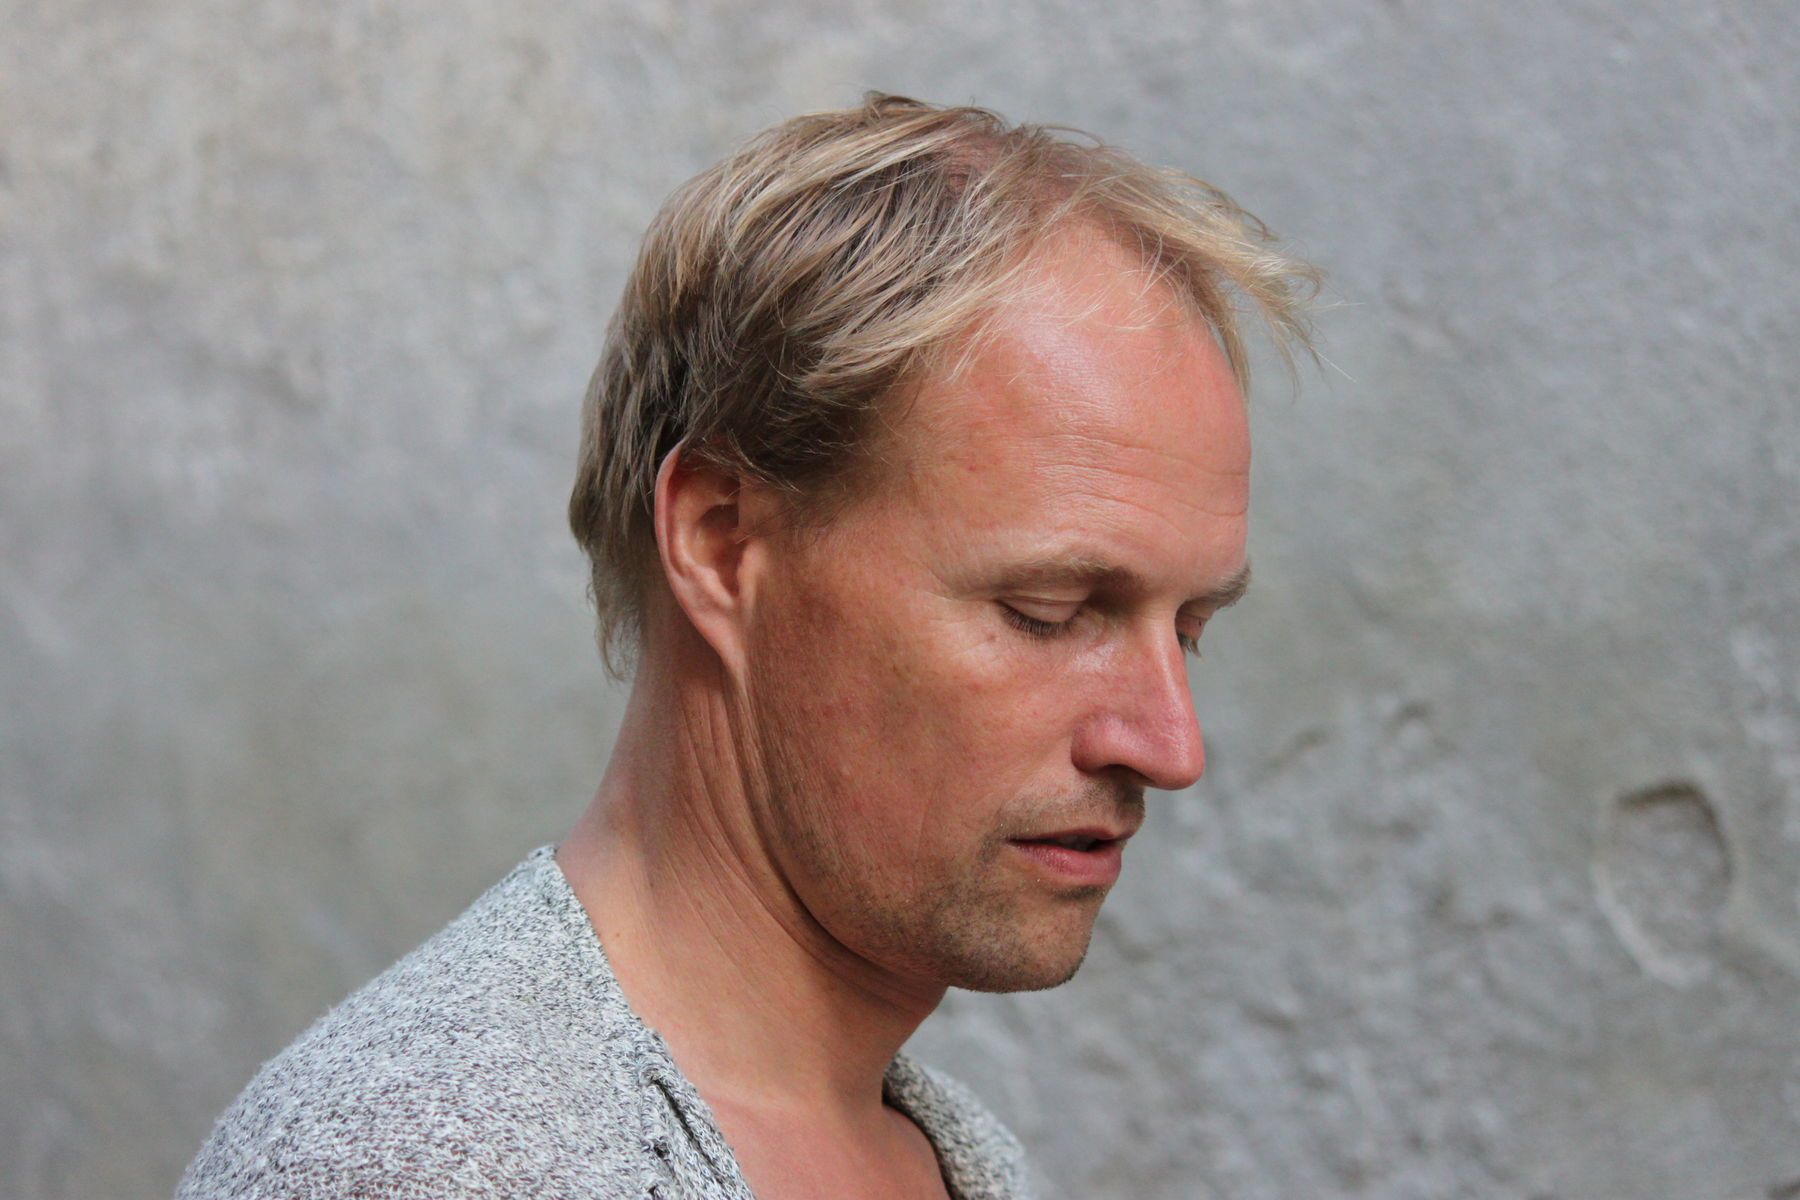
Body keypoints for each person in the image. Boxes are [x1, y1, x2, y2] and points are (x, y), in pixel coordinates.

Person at [177, 93, 1317, 1200]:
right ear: (721, 542)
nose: (1170, 746)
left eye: (1190, 629)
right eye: (1049, 610)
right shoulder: (437, 1164)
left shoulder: (942, 1153)